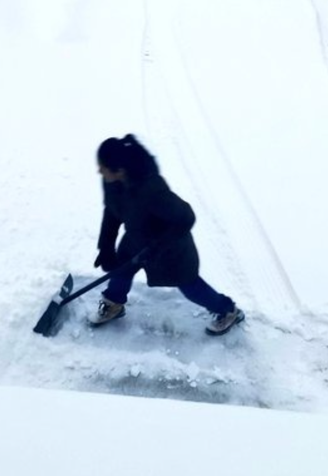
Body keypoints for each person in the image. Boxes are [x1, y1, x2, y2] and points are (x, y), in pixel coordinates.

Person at [91, 134, 245, 336]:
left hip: (170, 248)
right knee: (121, 269)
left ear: (119, 170)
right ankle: (114, 303)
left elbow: (186, 217)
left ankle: (227, 310)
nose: (99, 170)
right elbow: (112, 211)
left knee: (190, 286)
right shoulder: (111, 181)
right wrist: (106, 246)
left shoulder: (152, 189)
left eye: (102, 166)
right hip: (137, 237)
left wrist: (157, 246)